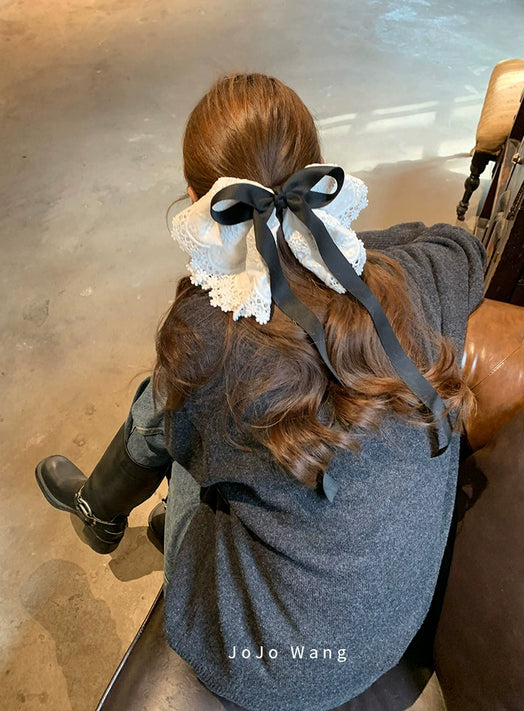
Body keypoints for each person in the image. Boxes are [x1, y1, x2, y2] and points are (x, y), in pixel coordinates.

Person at [35, 73, 486, 711]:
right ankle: (103, 507)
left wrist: (296, 262)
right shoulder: (418, 277)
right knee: (196, 412)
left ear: (197, 199)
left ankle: (98, 509)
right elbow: (463, 247)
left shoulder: (209, 339)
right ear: (316, 181)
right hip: (392, 626)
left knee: (163, 400)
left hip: (270, 667)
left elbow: (186, 422)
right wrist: (327, 257)